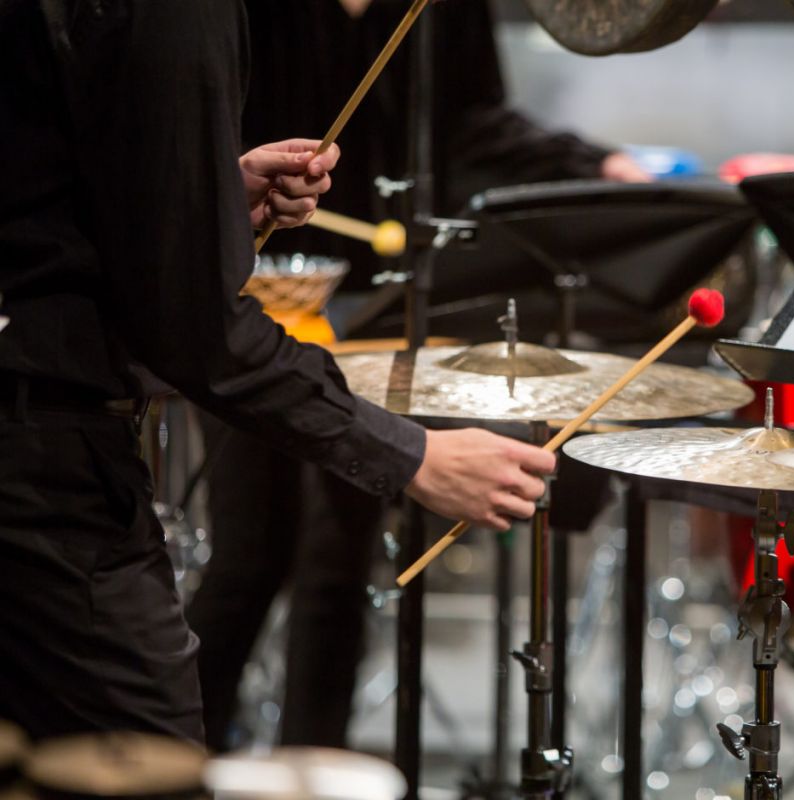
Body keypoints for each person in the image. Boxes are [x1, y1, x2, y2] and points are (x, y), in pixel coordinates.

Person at [0, 0, 552, 742]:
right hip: (38, 457)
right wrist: (413, 454)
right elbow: (194, 323)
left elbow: (55, 187)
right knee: (146, 757)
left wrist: (206, 201)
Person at [186, 0, 649, 750]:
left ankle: (317, 771)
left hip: (383, 296)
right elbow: (193, 123)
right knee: (250, 555)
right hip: (257, 291)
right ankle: (177, 765)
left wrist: (591, 163)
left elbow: (476, 119)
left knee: (339, 561)